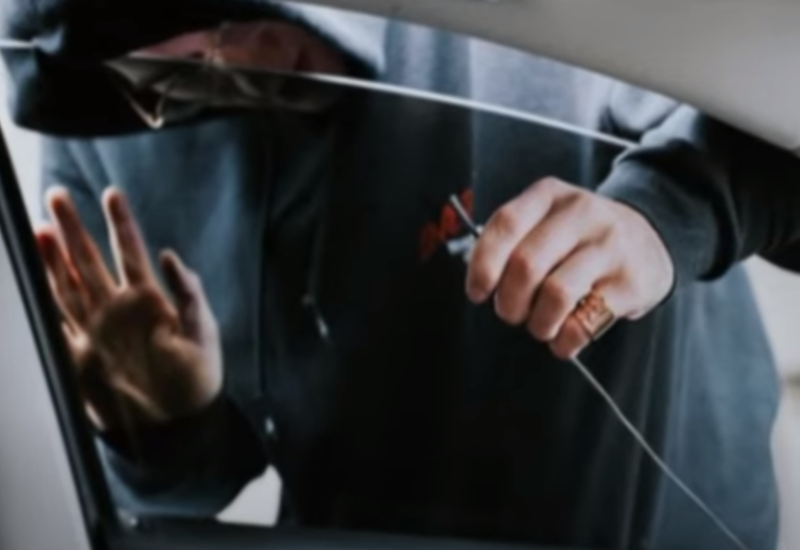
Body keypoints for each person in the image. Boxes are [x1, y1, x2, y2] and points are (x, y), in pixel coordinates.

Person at [5, 2, 800, 548]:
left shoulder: (512, 36)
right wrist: (170, 431)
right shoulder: (99, 129)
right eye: (175, 78)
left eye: (243, 23)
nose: (240, 67)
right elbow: (195, 487)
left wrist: (668, 213)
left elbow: (780, 123)